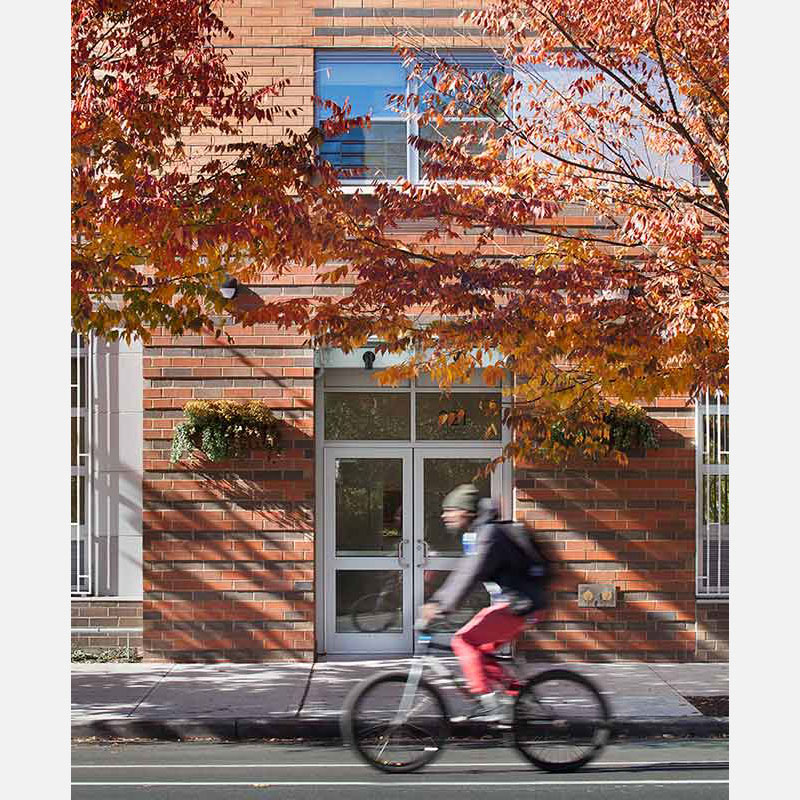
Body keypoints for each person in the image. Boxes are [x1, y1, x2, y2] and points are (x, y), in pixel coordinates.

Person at [420, 484, 548, 722]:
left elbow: (471, 572)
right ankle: (519, 697)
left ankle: (489, 705)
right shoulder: (480, 533)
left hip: (521, 604)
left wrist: (442, 606)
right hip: (518, 603)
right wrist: (439, 601)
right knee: (479, 653)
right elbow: (463, 571)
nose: (444, 515)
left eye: (450, 510)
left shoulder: (488, 534)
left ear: (466, 511)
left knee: (463, 641)